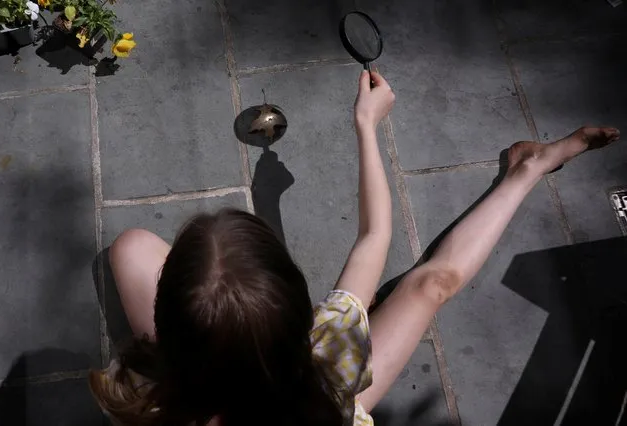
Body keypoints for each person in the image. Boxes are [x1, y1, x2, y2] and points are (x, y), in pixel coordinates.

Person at [88, 70, 620, 426]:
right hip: (324, 410)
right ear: (302, 311)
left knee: (131, 247)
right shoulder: (328, 357)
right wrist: (367, 125)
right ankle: (527, 171)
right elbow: (374, 237)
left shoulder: (150, 402)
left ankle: (528, 169)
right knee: (432, 284)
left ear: (168, 336)